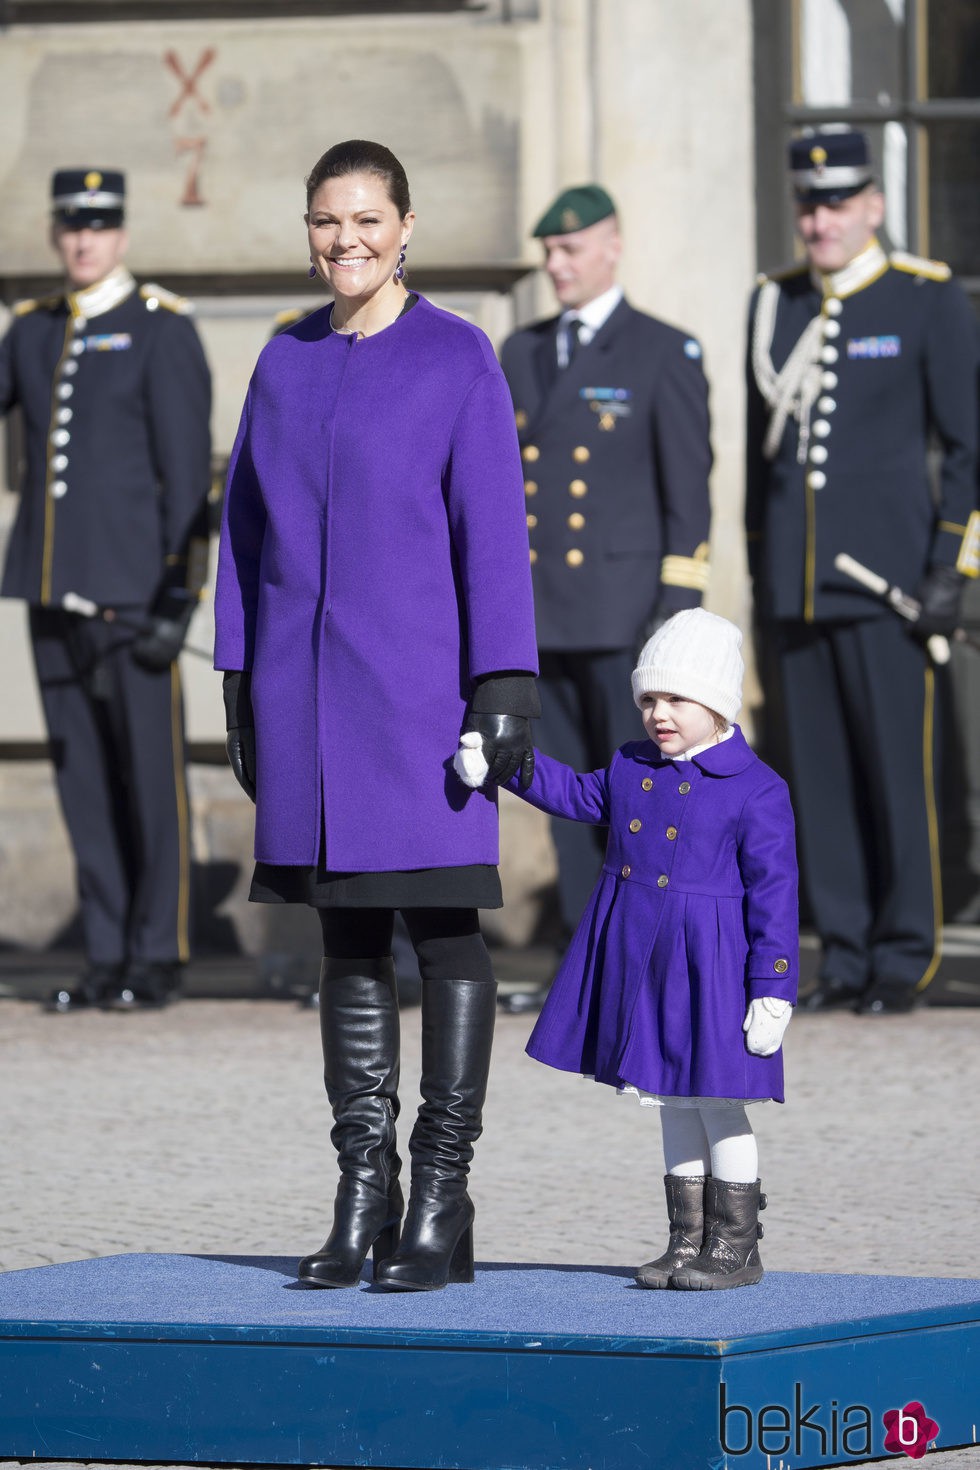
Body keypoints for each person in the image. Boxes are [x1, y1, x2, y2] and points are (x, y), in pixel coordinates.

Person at [213, 140, 539, 1293]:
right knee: (344, 937)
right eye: (323, 222)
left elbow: (491, 532)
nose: (343, 242)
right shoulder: (281, 361)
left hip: (419, 701)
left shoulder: (459, 356)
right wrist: (237, 676)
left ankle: (439, 1199)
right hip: (303, 699)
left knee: (442, 932)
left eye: (365, 220)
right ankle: (365, 1191)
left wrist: (502, 685)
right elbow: (242, 537)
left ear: (407, 225)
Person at [456, 609, 798, 1289]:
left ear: (719, 705)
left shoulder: (758, 788)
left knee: (718, 1100)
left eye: (676, 699)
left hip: (714, 966)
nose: (658, 713)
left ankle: (735, 1247)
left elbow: (775, 894)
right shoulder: (630, 765)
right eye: (648, 698)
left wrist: (774, 987)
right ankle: (685, 1240)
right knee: (670, 1100)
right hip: (647, 956)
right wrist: (502, 763)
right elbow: (576, 795)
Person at [746, 129, 980, 1017]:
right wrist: (767, 589)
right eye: (809, 204)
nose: (821, 219)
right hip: (799, 592)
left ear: (874, 206)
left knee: (897, 778)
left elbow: (967, 451)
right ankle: (841, 949)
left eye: (838, 201)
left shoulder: (926, 300)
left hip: (891, 591)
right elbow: (764, 471)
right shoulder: (774, 306)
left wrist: (951, 570)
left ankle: (903, 953)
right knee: (822, 784)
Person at [0, 167, 212, 1012]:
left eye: (98, 227)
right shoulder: (32, 331)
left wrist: (177, 600)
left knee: (150, 782)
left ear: (120, 234)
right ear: (57, 234)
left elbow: (190, 478)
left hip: (135, 600)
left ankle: (158, 952)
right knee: (82, 780)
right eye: (71, 227)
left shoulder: (161, 330)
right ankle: (106, 948)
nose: (83, 241)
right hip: (54, 593)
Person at [498, 184, 713, 1013]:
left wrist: (674, 610)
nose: (557, 265)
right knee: (567, 800)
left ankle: (656, 960)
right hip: (543, 611)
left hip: (626, 616)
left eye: (572, 249)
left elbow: (686, 495)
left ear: (613, 246)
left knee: (642, 800)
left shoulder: (663, 351)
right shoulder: (520, 352)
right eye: (549, 253)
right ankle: (592, 965)